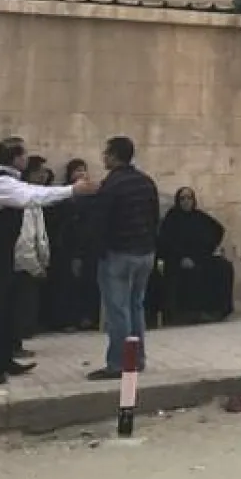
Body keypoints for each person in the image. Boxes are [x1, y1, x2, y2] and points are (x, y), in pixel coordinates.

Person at [0, 139, 95, 386]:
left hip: (2, 254)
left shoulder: (2, 178)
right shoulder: (0, 183)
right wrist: (72, 190)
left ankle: (2, 360)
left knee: (6, 308)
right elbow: (32, 196)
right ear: (16, 158)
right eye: (23, 156)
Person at [86, 136, 160, 381]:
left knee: (118, 310)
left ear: (115, 155)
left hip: (119, 254)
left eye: (106, 153)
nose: (103, 157)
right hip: (145, 252)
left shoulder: (112, 185)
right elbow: (154, 217)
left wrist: (95, 251)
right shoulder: (146, 182)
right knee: (136, 306)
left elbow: (100, 222)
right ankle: (137, 359)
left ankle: (119, 363)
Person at [156, 188, 234, 324]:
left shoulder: (199, 217)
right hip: (177, 260)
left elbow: (217, 229)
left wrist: (206, 251)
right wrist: (182, 258)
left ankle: (216, 311)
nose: (186, 202)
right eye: (183, 199)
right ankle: (184, 314)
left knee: (223, 267)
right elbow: (166, 243)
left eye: (189, 198)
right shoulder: (172, 219)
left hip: (199, 257)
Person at [44, 159, 99, 331]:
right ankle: (67, 320)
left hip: (88, 248)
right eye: (76, 171)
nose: (80, 174)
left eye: (83, 170)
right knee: (66, 285)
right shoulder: (64, 196)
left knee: (87, 283)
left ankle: (86, 317)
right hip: (66, 248)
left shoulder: (91, 197)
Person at [11, 158, 52, 358]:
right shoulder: (24, 200)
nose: (44, 176)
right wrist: (35, 266)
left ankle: (14, 344)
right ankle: (12, 346)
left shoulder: (34, 199)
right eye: (39, 172)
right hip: (22, 265)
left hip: (28, 262)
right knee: (19, 308)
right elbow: (25, 238)